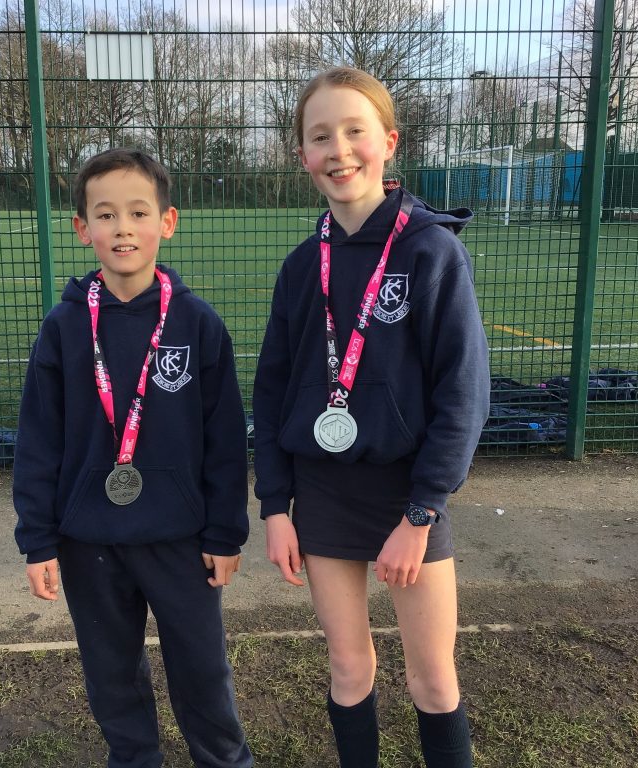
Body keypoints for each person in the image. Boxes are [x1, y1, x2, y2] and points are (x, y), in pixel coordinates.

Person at [253, 67, 490, 768]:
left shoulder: (431, 252)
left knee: (432, 679)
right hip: (322, 493)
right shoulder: (302, 268)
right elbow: (269, 396)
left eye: (355, 131)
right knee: (349, 670)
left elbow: (463, 395)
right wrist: (274, 506)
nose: (339, 149)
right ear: (303, 156)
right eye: (320, 136)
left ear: (388, 141)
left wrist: (421, 514)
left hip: (408, 497)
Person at [13, 148, 253, 768]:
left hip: (180, 538)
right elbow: (39, 441)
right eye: (106, 214)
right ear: (82, 228)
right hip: (88, 539)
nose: (123, 228)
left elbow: (226, 441)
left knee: (202, 672)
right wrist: (37, 540)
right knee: (112, 675)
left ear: (167, 222)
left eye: (138, 212)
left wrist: (226, 531)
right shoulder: (63, 329)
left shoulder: (198, 325)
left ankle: (224, 760)